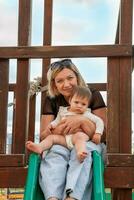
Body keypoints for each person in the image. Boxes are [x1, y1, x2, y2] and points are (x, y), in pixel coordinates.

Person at [39, 59, 107, 200]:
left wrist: (81, 120)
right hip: (63, 141)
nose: (66, 84)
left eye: (70, 78)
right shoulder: (52, 100)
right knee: (55, 153)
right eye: (60, 81)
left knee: (83, 153)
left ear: (77, 77)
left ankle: (72, 197)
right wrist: (57, 129)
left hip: (87, 142)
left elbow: (104, 133)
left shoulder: (91, 94)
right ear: (54, 84)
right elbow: (44, 135)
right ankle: (53, 197)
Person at [26, 86, 104, 162]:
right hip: (64, 139)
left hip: (76, 138)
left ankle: (80, 153)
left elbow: (99, 121)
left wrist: (98, 133)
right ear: (70, 101)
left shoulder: (86, 113)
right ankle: (40, 147)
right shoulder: (63, 111)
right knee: (51, 138)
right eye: (76, 102)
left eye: (83, 104)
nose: (79, 106)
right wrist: (52, 125)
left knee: (80, 137)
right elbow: (57, 121)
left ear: (87, 105)